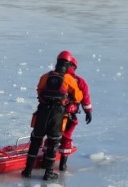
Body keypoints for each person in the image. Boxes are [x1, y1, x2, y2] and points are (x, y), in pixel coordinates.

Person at [21, 51, 83, 180]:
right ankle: (48, 172)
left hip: (43, 110)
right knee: (53, 142)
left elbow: (39, 90)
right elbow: (78, 96)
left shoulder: (45, 76)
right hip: (57, 113)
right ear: (69, 65)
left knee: (36, 139)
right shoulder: (68, 79)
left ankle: (27, 170)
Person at [57, 51, 92, 171]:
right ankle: (62, 164)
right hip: (68, 115)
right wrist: (88, 111)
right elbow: (84, 97)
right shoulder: (78, 81)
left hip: (51, 113)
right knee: (66, 137)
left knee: (51, 136)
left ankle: (46, 161)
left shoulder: (51, 77)